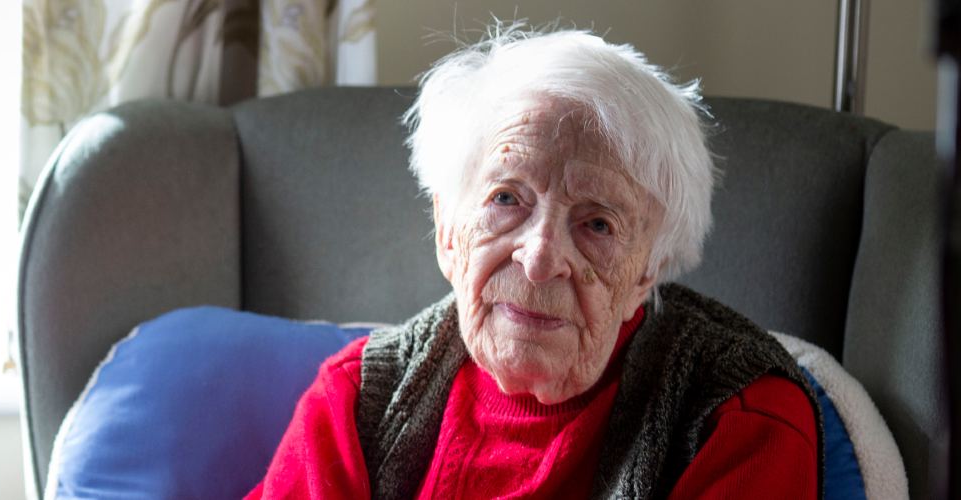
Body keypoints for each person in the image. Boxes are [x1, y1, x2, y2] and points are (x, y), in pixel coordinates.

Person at [247, 25, 820, 499]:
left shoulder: (738, 416)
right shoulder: (358, 400)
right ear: (448, 230)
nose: (541, 257)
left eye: (598, 223)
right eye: (506, 199)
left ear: (649, 269)